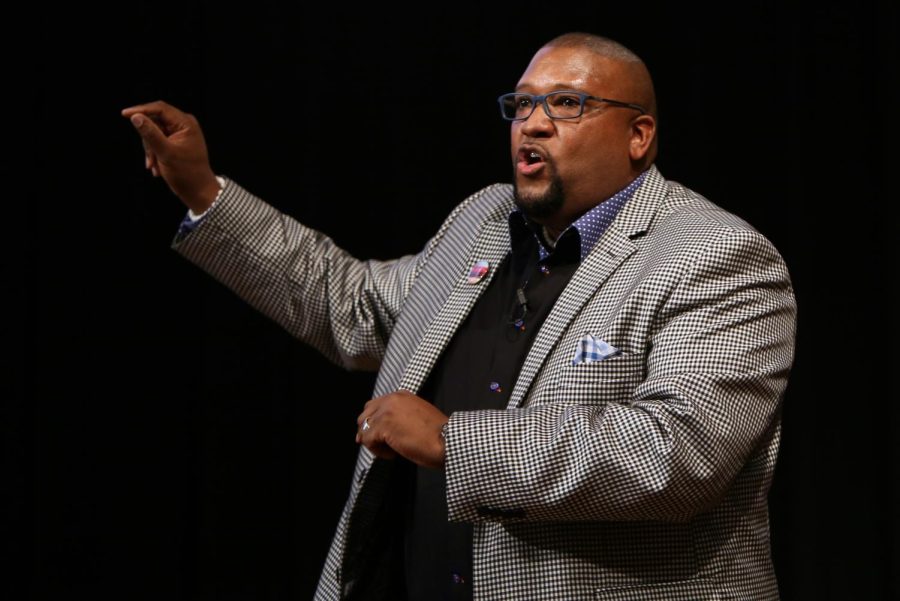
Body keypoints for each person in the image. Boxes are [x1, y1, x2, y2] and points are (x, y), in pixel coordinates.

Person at [122, 32, 796, 601]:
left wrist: (454, 443)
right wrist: (205, 192)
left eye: (567, 104)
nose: (532, 123)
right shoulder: (481, 222)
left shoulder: (716, 255)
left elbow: (679, 452)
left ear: (638, 135)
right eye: (523, 104)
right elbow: (350, 302)